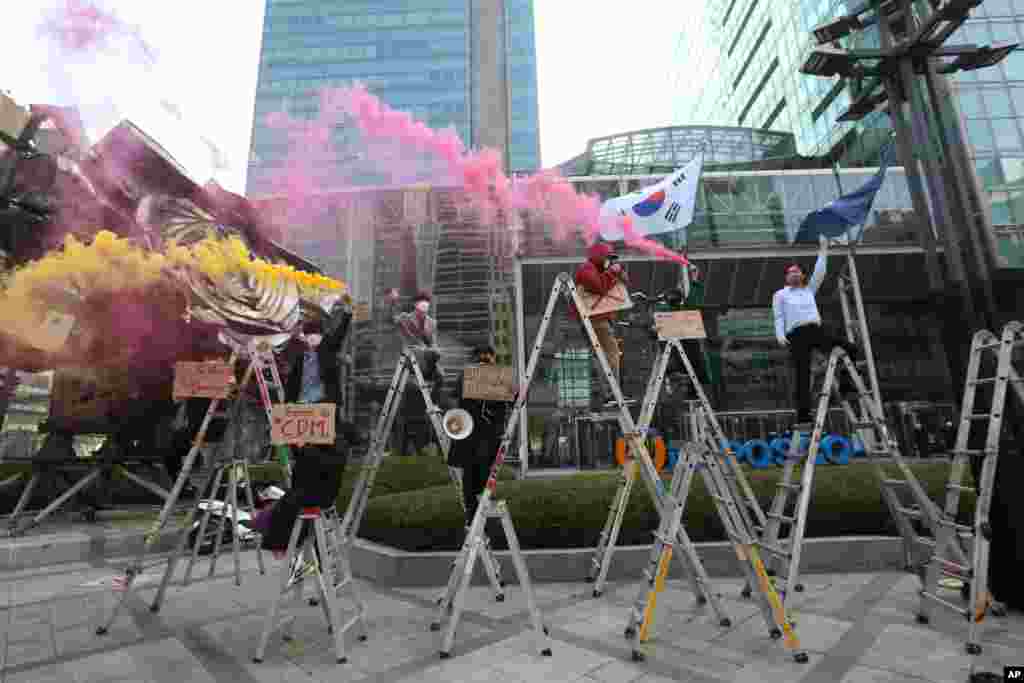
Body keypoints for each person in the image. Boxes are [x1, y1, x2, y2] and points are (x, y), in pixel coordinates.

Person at [257, 305, 363, 556]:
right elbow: (290, 384)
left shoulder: (327, 351)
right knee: (301, 466)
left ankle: (289, 538)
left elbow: (337, 336)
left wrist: (347, 314)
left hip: (323, 412)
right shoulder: (300, 359)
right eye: (310, 334)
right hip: (302, 413)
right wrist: (286, 413)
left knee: (314, 464)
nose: (314, 338)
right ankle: (290, 538)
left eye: (317, 334)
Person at [772, 238, 859, 425]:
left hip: (815, 330)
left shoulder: (809, 290)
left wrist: (823, 249)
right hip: (796, 335)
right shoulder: (780, 294)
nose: (793, 274)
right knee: (802, 375)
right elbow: (778, 316)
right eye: (789, 273)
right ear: (786, 278)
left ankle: (845, 383)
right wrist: (779, 334)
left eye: (796, 272)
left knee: (851, 348)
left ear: (803, 275)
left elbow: (821, 272)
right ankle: (804, 415)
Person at [445, 345, 517, 527]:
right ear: (491, 357)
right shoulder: (497, 377)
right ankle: (478, 517)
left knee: (471, 480)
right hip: (484, 438)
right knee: (481, 479)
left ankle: (474, 517)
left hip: (472, 438)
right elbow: (519, 399)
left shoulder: (466, 376)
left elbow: (453, 402)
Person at [385, 289, 444, 455]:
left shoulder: (432, 323)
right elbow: (391, 319)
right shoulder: (405, 317)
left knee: (441, 376)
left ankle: (433, 405)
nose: (425, 305)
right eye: (421, 302)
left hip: (427, 357)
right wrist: (392, 303)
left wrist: (435, 350)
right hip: (411, 356)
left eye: (427, 302)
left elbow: (433, 343)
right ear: (415, 304)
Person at [571, 243, 629, 404]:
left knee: (606, 356)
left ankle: (608, 392)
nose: (610, 262)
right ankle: (612, 392)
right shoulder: (586, 269)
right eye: (609, 258)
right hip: (596, 320)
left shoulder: (599, 270)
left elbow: (622, 283)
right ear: (601, 256)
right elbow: (599, 287)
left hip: (601, 320)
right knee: (611, 355)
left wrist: (619, 273)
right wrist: (612, 272)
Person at [660, 263, 710, 394]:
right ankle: (692, 392)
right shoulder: (688, 309)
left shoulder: (664, 313)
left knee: (680, 373)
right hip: (691, 359)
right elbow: (694, 295)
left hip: (675, 361)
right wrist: (693, 277)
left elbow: (692, 296)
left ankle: (680, 388)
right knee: (694, 377)